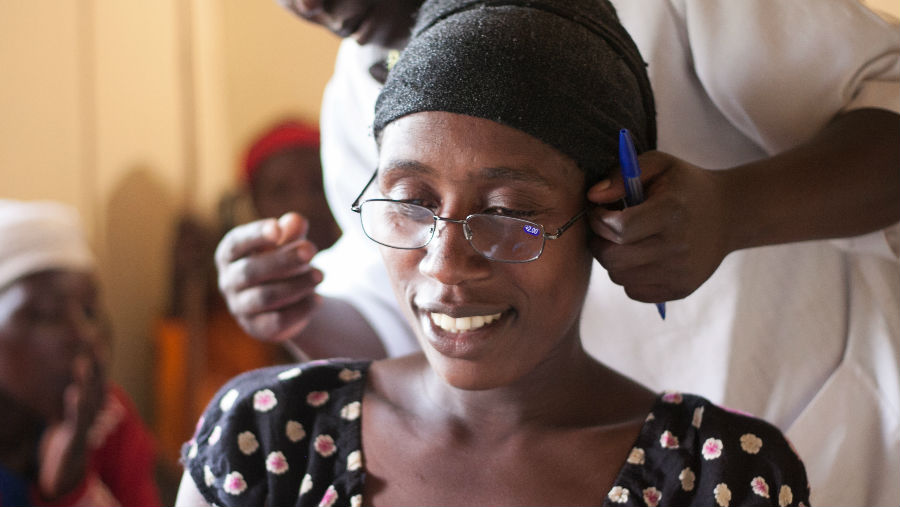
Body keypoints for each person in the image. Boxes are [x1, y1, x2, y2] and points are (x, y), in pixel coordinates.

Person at [217, 0, 899, 505]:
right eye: (414, 204)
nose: (304, 4)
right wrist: (302, 306)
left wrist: (734, 210)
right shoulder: (355, 91)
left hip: (813, 431)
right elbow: (416, 317)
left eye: (509, 211)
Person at [0, 199, 161, 507]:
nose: (83, 335)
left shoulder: (108, 421)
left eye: (89, 312)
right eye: (47, 315)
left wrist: (73, 491)